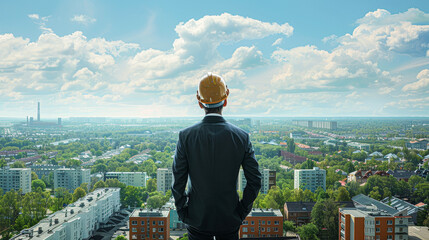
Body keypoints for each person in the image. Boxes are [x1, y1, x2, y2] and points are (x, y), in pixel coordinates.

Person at [172, 73, 261, 240]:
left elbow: (178, 180)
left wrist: (183, 212)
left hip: (197, 219)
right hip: (229, 220)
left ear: (200, 103)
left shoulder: (186, 136)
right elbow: (255, 180)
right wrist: (241, 212)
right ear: (225, 100)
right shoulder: (241, 137)